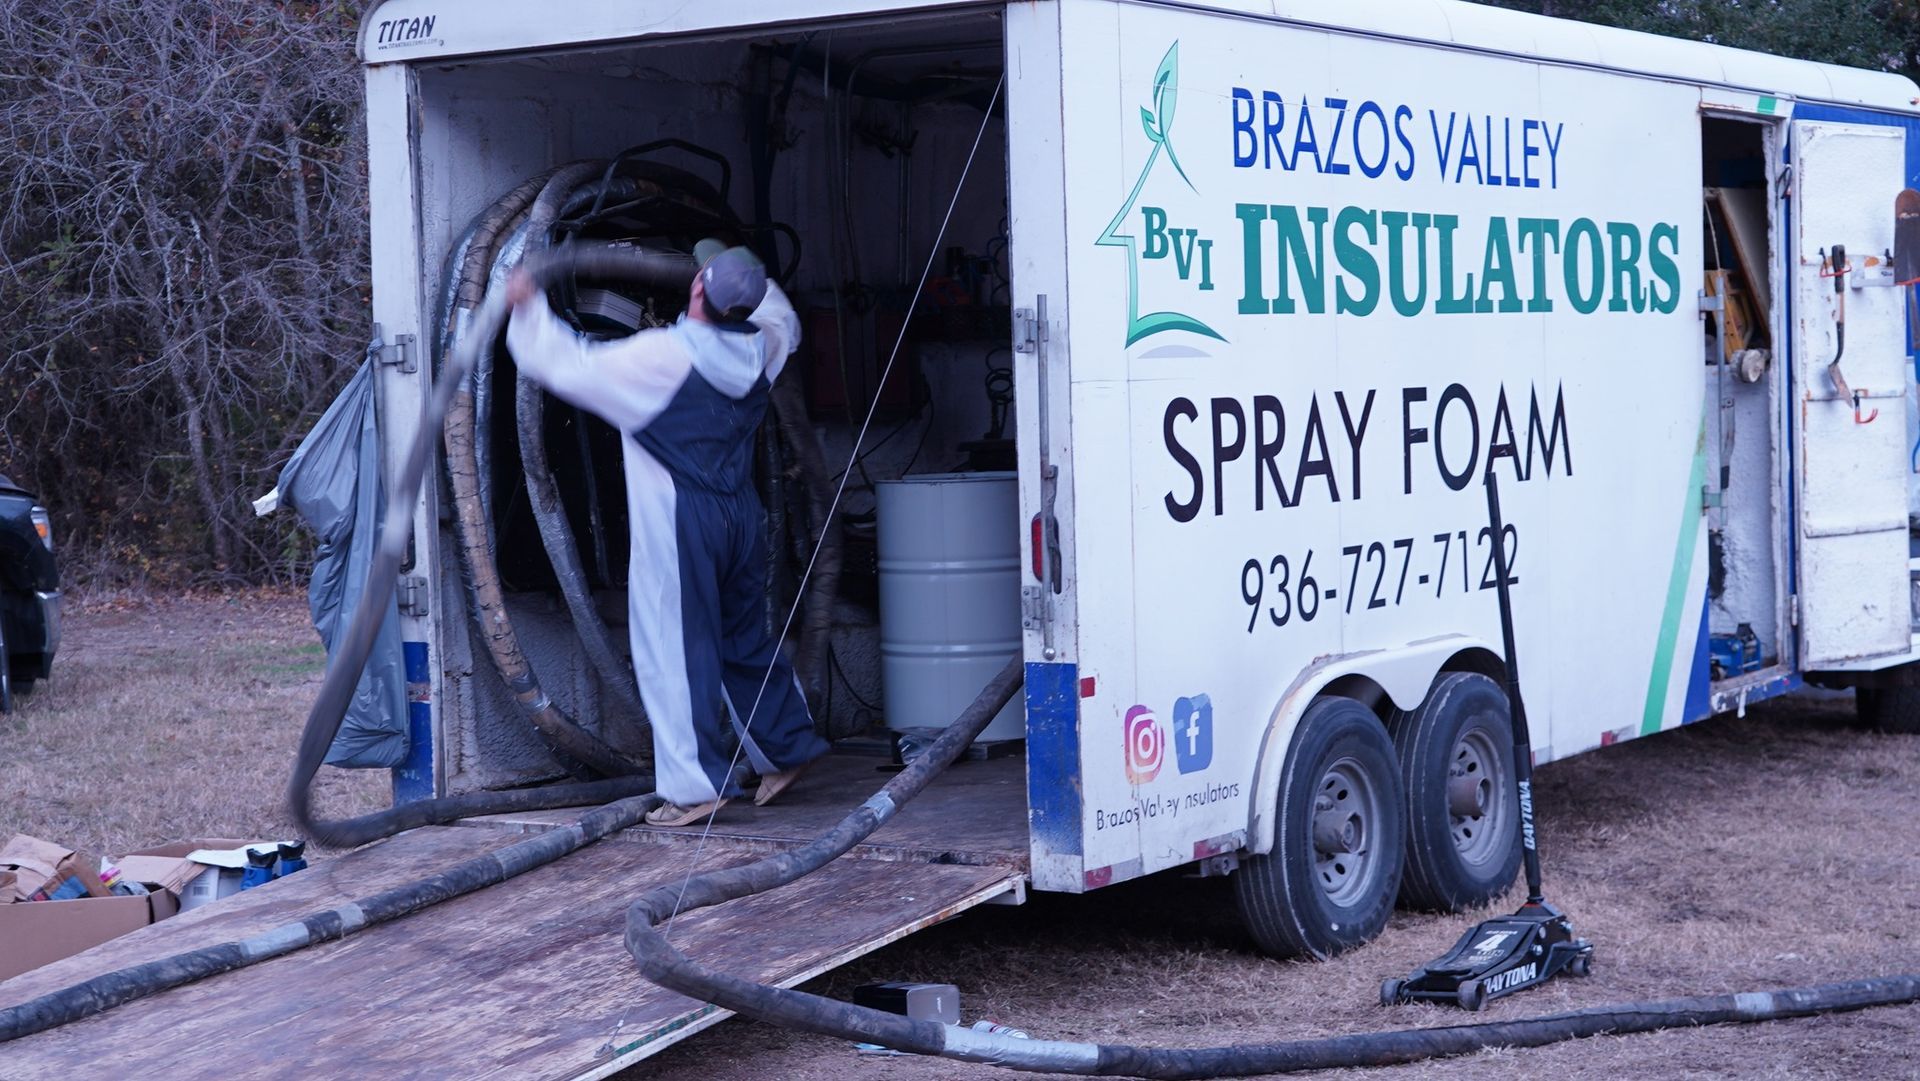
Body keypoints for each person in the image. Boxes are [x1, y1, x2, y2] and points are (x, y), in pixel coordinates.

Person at [504, 241, 829, 826]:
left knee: (675, 651)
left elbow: (564, 363)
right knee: (745, 637)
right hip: (741, 514)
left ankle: (695, 786)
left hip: (681, 518)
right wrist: (730, 263)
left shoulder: (662, 357)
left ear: (697, 286)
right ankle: (786, 748)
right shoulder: (766, 344)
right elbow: (780, 311)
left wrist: (528, 306)